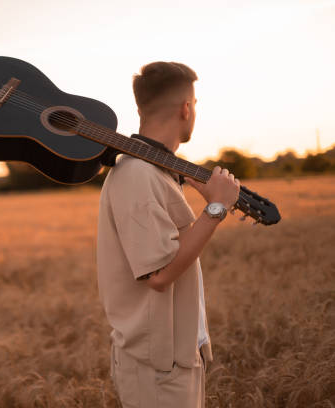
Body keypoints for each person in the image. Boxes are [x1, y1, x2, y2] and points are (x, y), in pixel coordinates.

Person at [96, 61, 240, 408]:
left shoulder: (155, 170)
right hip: (156, 368)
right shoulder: (138, 174)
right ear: (186, 108)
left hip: (174, 357)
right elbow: (159, 275)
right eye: (196, 104)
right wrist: (215, 209)